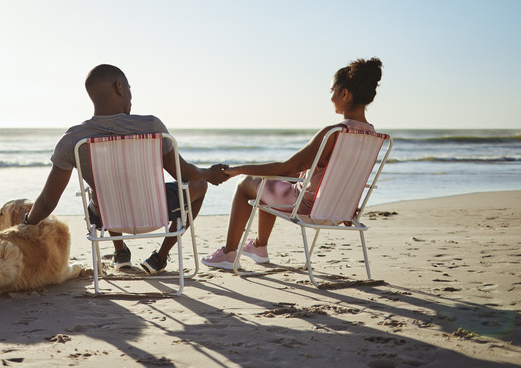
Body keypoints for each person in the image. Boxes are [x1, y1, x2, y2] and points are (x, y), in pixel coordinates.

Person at [24, 64, 229, 274]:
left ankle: (120, 251)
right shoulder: (151, 126)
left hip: (106, 216)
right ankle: (160, 257)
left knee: (103, 188)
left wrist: (27, 222)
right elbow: (184, 174)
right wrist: (209, 174)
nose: (131, 95)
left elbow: (48, 202)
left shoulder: (72, 140)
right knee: (199, 185)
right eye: (130, 89)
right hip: (156, 211)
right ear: (120, 87)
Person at [201, 57, 383, 270]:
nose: (331, 96)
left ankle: (228, 253)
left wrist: (237, 170)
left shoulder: (333, 133)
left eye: (333, 90)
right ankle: (258, 247)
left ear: (344, 93)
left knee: (245, 184)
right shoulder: (373, 136)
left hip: (309, 207)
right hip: (340, 210)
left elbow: (287, 167)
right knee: (271, 181)